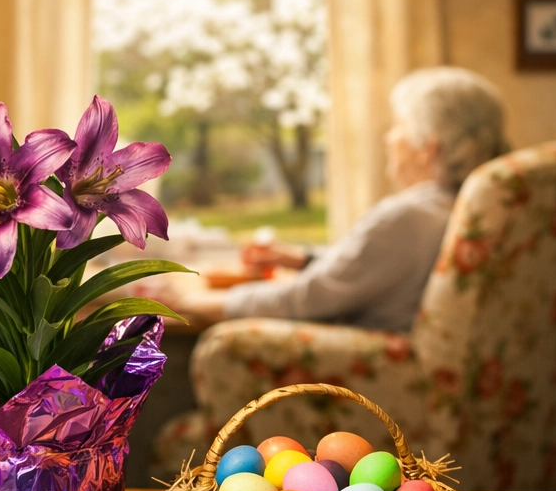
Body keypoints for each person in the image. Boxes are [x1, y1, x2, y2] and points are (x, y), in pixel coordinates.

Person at [165, 67, 507, 329]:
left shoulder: (408, 219)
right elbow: (371, 270)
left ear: (428, 147)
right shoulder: (467, 209)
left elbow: (308, 299)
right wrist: (302, 259)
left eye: (399, 126)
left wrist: (194, 301)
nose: (389, 138)